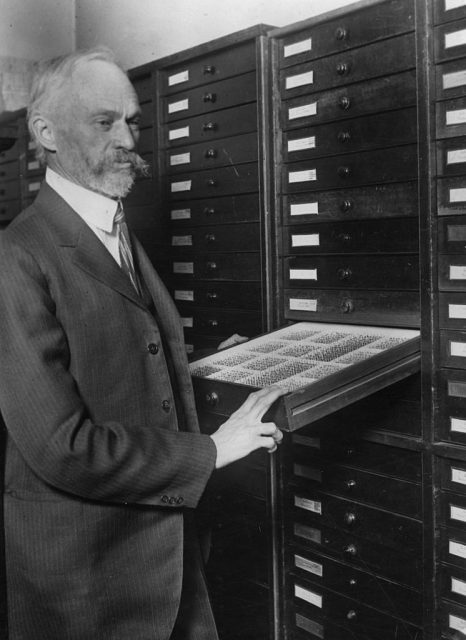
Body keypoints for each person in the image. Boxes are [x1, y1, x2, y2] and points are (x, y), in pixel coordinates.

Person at [0, 47, 284, 640]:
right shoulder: (18, 255)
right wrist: (211, 450)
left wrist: (197, 354)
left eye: (133, 121)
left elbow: (114, 347)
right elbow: (60, 446)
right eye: (104, 123)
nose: (128, 138)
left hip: (168, 559)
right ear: (45, 132)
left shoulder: (110, 226)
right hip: (88, 583)